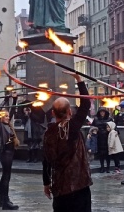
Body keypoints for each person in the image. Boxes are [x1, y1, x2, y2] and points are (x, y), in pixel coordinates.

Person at [42, 71, 92, 212]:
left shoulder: (48, 133)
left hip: (59, 187)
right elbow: (85, 104)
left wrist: (46, 182)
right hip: (79, 186)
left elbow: (45, 161)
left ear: (53, 113)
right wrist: (79, 80)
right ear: (70, 112)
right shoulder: (73, 127)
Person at [0, 108, 20, 210]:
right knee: (6, 177)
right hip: (6, 153)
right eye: (5, 116)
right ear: (1, 116)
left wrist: (14, 98)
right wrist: (5, 100)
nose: (8, 117)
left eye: (8, 116)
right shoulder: (0, 125)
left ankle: (2, 200)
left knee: (5, 176)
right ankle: (6, 201)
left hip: (9, 152)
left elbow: (12, 111)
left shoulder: (8, 126)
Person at [92, 107, 112, 173]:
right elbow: (92, 127)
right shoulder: (96, 119)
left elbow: (113, 126)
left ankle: (108, 167)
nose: (102, 113)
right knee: (101, 154)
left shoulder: (109, 119)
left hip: (107, 137)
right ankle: (102, 167)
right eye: (101, 112)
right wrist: (93, 131)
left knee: (108, 153)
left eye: (103, 112)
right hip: (99, 137)